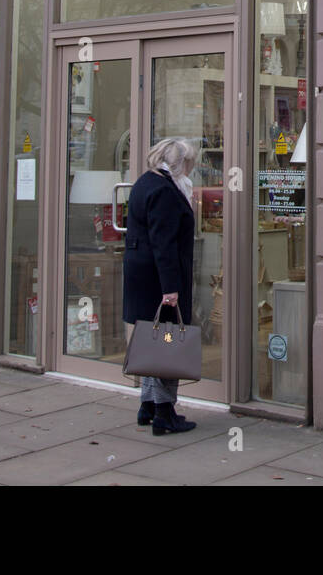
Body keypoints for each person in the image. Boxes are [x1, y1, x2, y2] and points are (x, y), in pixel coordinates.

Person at [122, 137, 198, 435]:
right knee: (168, 342)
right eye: (190, 162)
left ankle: (148, 405)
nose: (192, 168)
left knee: (152, 340)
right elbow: (164, 243)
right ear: (180, 163)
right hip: (159, 278)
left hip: (142, 275)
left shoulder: (145, 182)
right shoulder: (166, 191)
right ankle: (165, 413)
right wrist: (171, 288)